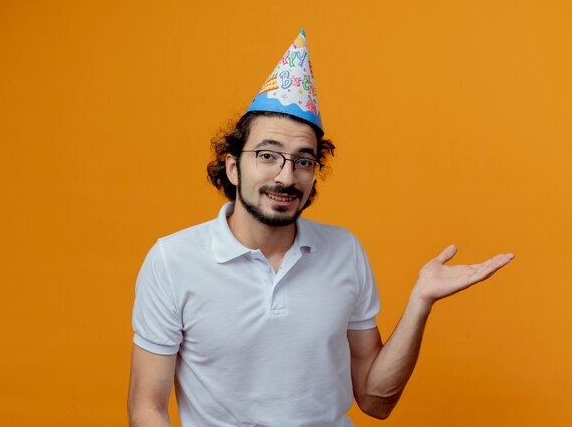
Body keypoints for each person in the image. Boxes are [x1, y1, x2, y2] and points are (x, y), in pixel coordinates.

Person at [127, 31, 514, 427]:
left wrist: (420, 302)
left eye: (303, 161)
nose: (286, 176)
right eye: (267, 155)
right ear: (232, 167)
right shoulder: (172, 261)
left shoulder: (344, 250)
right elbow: (147, 408)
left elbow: (375, 400)